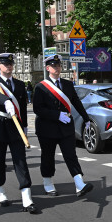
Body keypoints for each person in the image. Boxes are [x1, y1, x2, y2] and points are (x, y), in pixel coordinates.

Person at [33, 54, 94, 197]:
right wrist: (56, 115)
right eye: (54, 66)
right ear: (48, 68)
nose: (57, 68)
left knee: (71, 155)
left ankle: (79, 183)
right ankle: (48, 182)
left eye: (58, 65)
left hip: (65, 127)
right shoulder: (41, 87)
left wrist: (86, 119)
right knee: (48, 156)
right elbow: (38, 109)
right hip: (47, 128)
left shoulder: (67, 84)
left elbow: (76, 102)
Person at [0, 53, 38, 213]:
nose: (8, 66)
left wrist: (25, 129)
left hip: (15, 126)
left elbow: (21, 108)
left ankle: (27, 197)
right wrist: (5, 100)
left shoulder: (20, 85)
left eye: (10, 63)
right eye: (5, 63)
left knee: (20, 160)